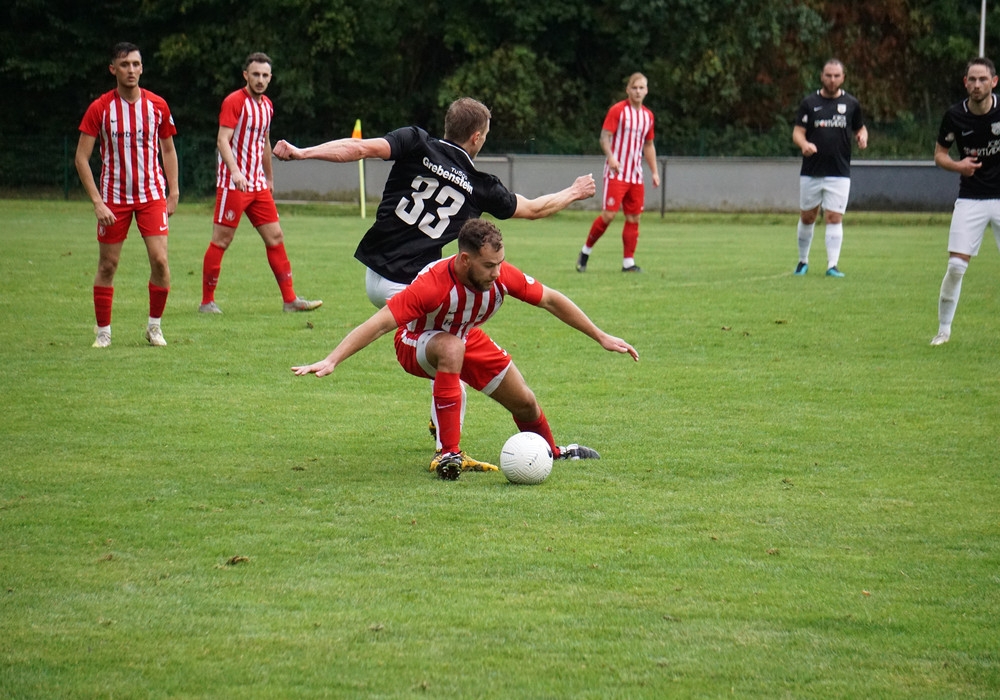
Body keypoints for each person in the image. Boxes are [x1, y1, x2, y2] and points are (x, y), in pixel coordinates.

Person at [274, 97, 595, 470]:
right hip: (415, 284)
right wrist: (574, 192)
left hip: (375, 274)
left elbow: (358, 148)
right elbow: (535, 209)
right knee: (453, 357)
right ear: (477, 137)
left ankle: (444, 428)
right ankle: (449, 451)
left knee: (452, 352)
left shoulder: (416, 141)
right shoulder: (479, 185)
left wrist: (303, 153)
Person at [292, 218, 639, 479]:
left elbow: (551, 300)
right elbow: (380, 324)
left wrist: (601, 336)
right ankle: (449, 454)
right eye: (488, 265)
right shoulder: (432, 285)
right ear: (464, 260)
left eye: (500, 263)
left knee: (525, 401)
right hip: (415, 342)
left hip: (464, 338)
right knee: (451, 348)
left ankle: (551, 452)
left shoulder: (500, 276)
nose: (497, 273)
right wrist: (332, 359)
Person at [199, 52, 321, 314]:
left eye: (265, 75)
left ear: (270, 78)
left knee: (275, 236)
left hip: (257, 185)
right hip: (233, 184)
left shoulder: (267, 106)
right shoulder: (234, 101)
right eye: (255, 74)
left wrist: (269, 177)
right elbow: (222, 140)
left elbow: (264, 143)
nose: (260, 79)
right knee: (222, 239)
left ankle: (290, 300)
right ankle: (207, 302)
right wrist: (235, 172)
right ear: (246, 75)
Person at [75, 42, 179, 348]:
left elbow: (168, 150)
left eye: (135, 64)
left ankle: (154, 327)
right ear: (113, 69)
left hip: (152, 195)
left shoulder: (157, 105)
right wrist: (97, 202)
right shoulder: (100, 108)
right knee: (108, 265)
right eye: (124, 65)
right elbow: (81, 158)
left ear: (142, 68)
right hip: (113, 198)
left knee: (160, 261)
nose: (131, 70)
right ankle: (103, 331)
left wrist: (173, 191)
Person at [930, 57, 1000, 346]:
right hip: (971, 197)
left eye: (983, 79)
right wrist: (959, 166)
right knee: (956, 267)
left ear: (994, 82)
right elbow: (940, 155)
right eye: (972, 79)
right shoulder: (955, 115)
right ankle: (943, 330)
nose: (977, 84)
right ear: (965, 83)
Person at [575, 72, 660, 273]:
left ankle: (628, 262)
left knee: (634, 218)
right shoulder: (618, 111)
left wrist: (654, 172)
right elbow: (604, 137)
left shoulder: (648, 116)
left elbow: (648, 145)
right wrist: (611, 157)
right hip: (617, 173)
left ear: (646, 91)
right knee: (609, 215)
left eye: (641, 88)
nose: (638, 91)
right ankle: (585, 251)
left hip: (635, 175)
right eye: (634, 88)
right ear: (628, 90)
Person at [791, 58, 868, 278]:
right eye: (828, 75)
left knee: (834, 217)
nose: (832, 79)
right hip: (812, 171)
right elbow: (797, 132)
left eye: (836, 76)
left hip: (839, 171)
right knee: (808, 216)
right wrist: (804, 144)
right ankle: (803, 261)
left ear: (843, 77)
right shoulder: (809, 103)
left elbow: (860, 128)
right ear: (822, 77)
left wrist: (862, 137)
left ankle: (832, 265)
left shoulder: (851, 104)